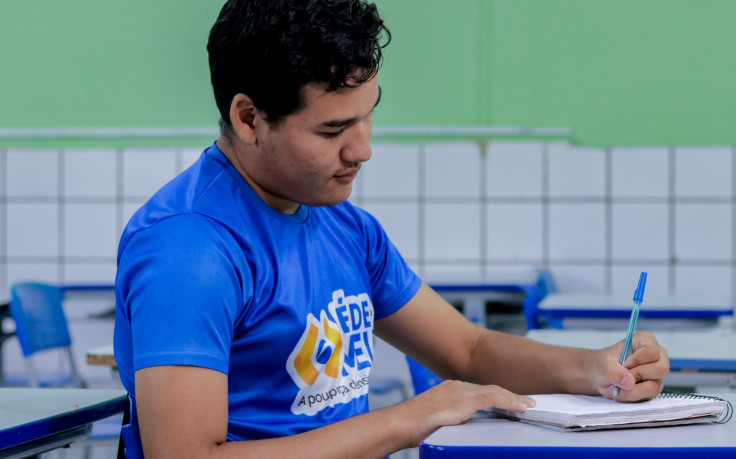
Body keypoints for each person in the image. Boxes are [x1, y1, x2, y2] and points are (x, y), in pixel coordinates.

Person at [113, 0, 670, 457]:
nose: (363, 149)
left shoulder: (344, 225)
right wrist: (409, 419)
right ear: (249, 118)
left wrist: (592, 370)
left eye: (367, 114)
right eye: (333, 129)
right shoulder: (190, 249)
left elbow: (468, 350)